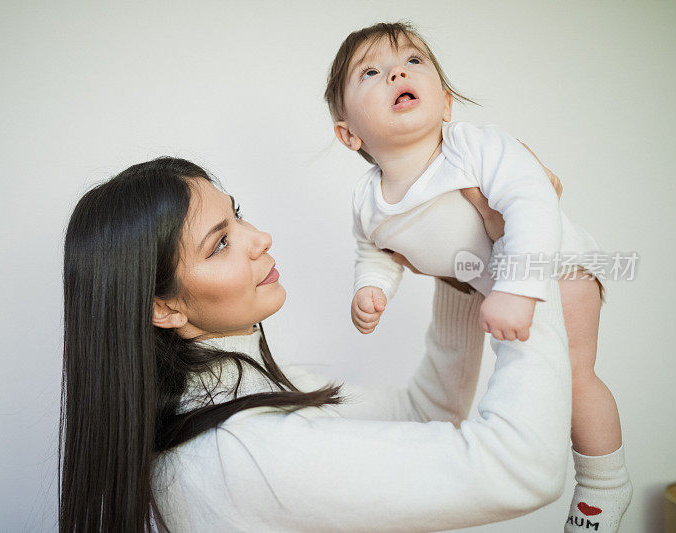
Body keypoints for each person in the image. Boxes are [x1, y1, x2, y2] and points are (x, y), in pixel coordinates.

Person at [59, 156, 573, 532]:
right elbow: (524, 466)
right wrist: (523, 264)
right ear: (164, 308)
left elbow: (428, 411)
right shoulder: (241, 453)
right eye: (220, 243)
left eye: (237, 215)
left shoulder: (251, 399)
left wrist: (460, 267)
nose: (259, 237)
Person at [324, 21, 631, 531]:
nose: (397, 71)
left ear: (444, 102)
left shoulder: (472, 147)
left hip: (558, 264)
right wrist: (370, 287)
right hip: (488, 284)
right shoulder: (367, 199)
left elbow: (533, 198)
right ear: (349, 133)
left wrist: (517, 287)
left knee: (575, 379)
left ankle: (605, 484)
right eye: (372, 72)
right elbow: (376, 248)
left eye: (413, 61)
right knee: (515, 390)